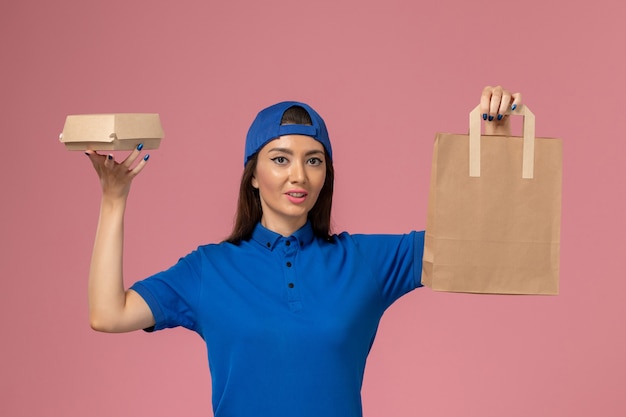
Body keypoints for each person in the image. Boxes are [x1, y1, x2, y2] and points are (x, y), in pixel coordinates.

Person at [86, 86, 521, 417]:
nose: (299, 175)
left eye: (314, 160)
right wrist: (114, 199)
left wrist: (497, 141)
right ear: (252, 175)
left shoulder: (365, 263)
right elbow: (108, 314)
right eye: (280, 159)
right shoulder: (209, 270)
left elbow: (481, 244)